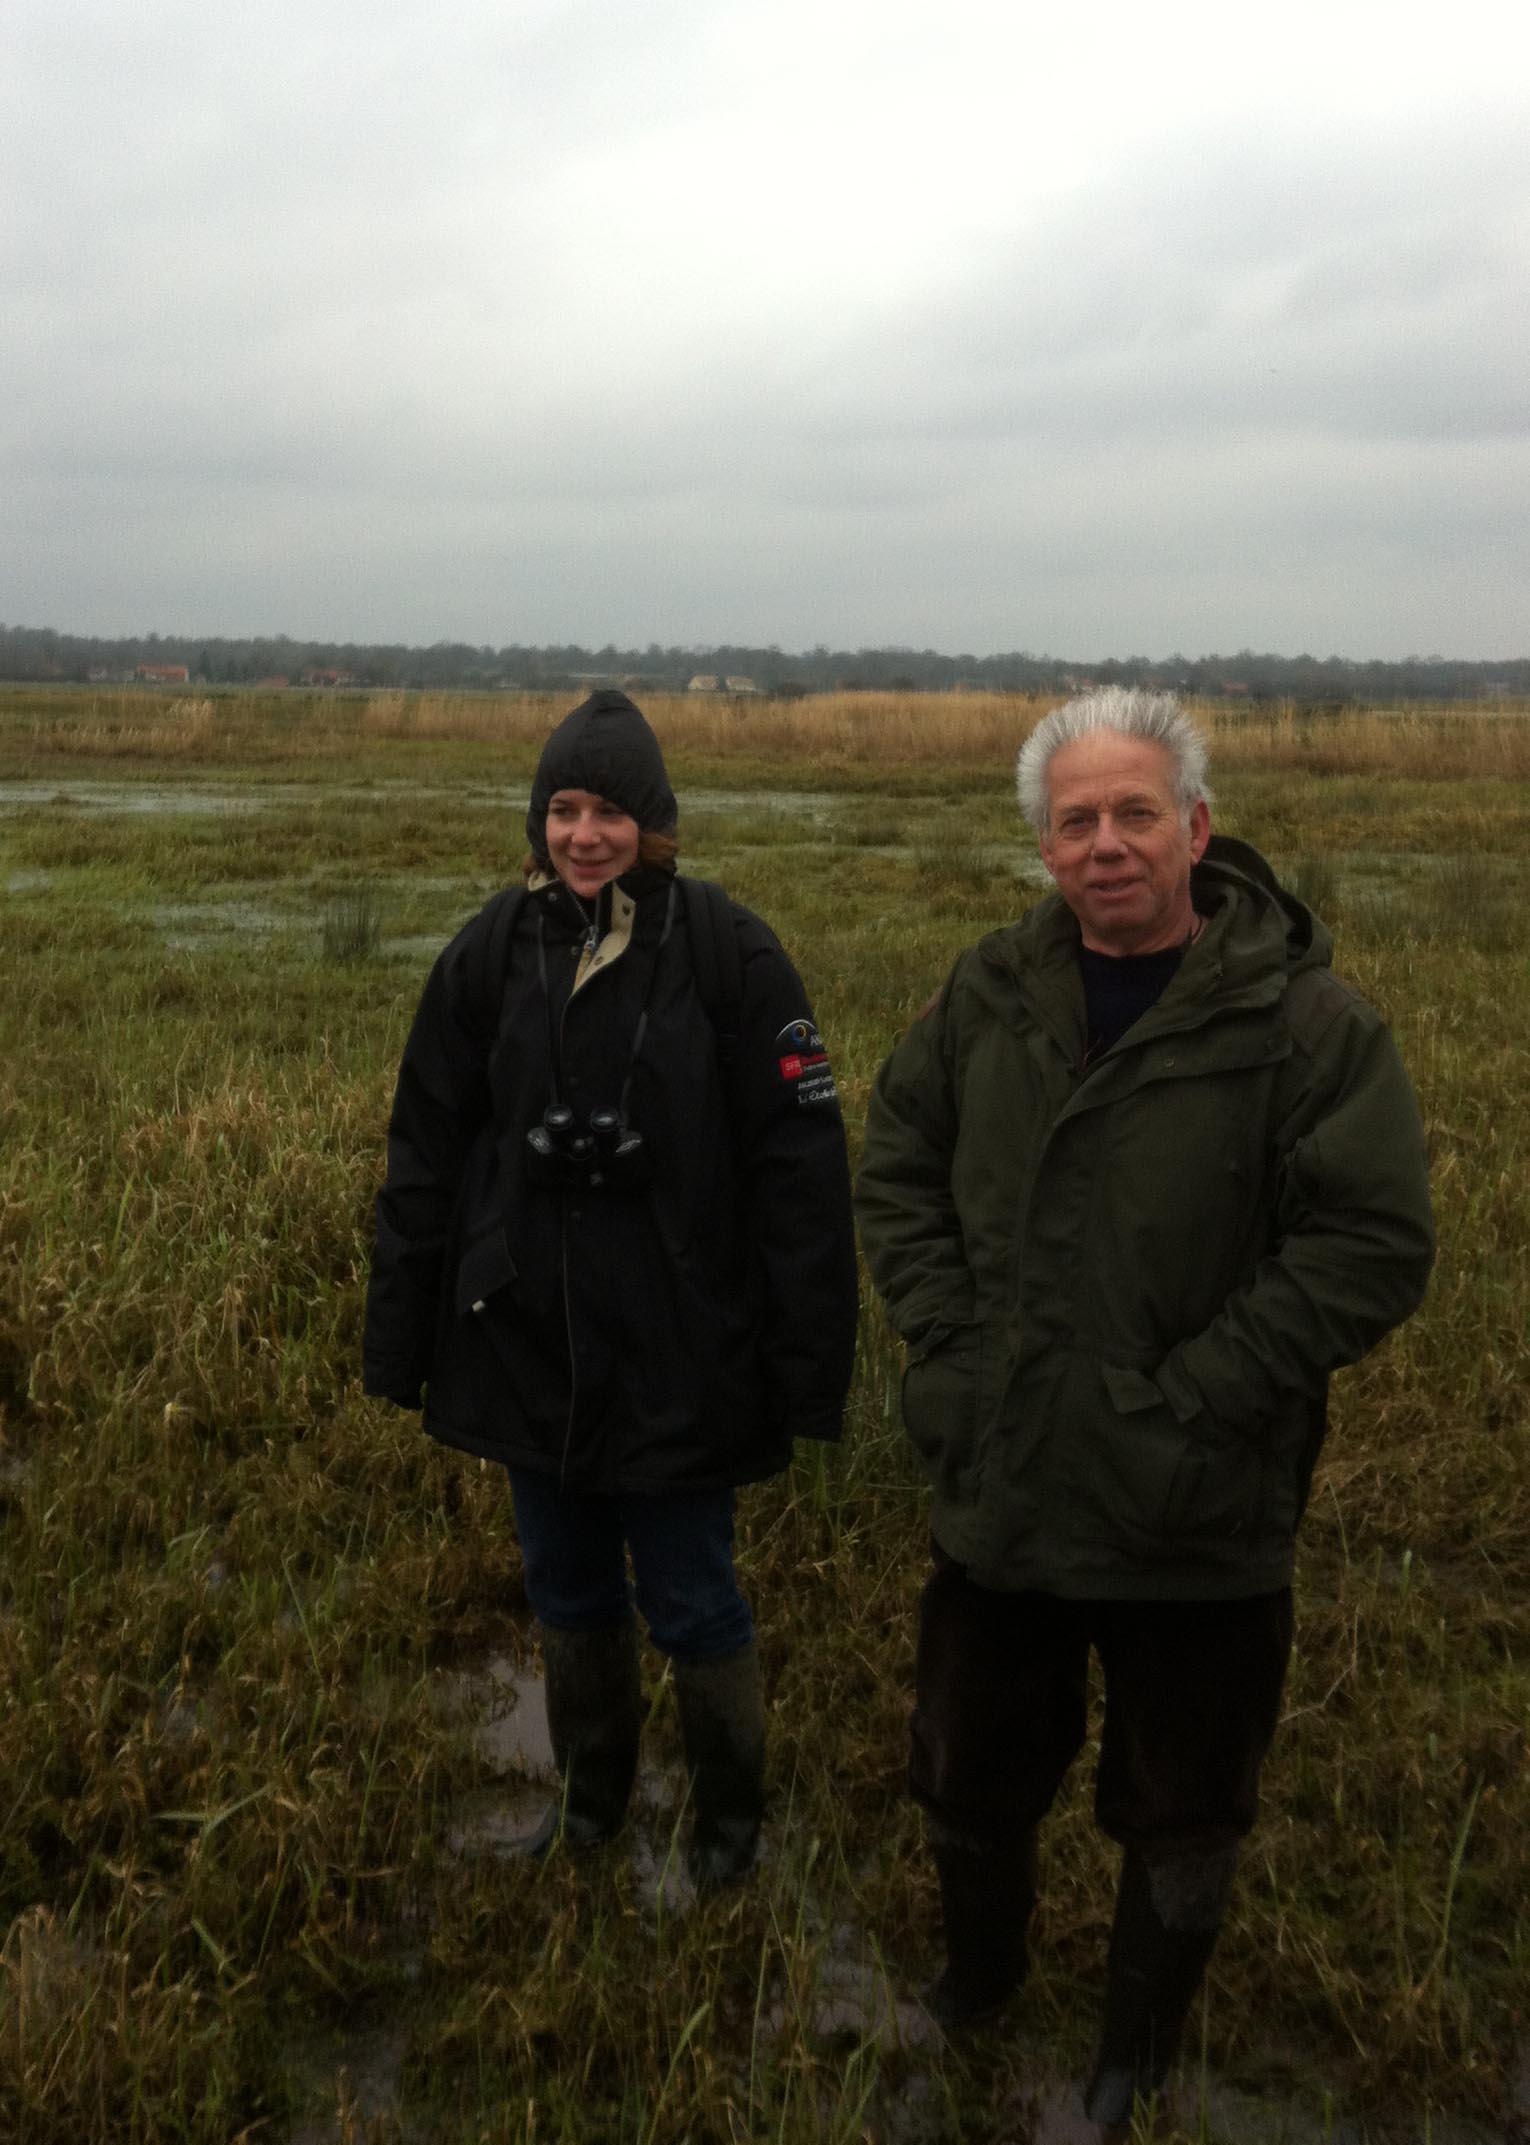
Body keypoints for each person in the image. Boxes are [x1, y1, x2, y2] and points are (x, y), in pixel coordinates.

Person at [855, 687, 1433, 2120]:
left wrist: (1200, 1396)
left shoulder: (1303, 1022)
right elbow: (897, 1164)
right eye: (1073, 822)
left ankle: (1133, 2057)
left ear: (1195, 826)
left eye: (1131, 813)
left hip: (1199, 1503)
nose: (1104, 844)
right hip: (1007, 1482)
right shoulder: (985, 992)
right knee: (970, 1772)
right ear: (1042, 851)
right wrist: (948, 1343)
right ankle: (975, 1982)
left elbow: (1369, 1242)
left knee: (1184, 1803)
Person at [364, 688, 858, 1889]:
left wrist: (809, 1374)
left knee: (693, 1597)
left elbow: (803, 1179)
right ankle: (589, 1813)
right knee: (567, 1585)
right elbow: (425, 1150)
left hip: (681, 1354)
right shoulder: (490, 950)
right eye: (565, 810)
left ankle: (727, 1840)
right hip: (527, 1344)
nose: (586, 836)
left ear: (657, 823)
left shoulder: (733, 954)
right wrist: (401, 1342)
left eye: (613, 812)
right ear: (539, 819)